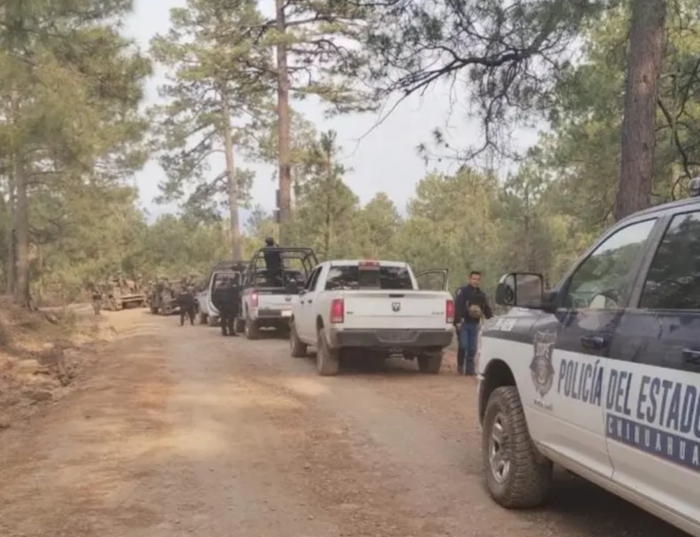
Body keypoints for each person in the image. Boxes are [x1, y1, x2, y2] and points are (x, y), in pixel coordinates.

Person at [454, 271, 493, 376]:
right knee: (463, 345)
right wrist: (457, 321)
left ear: (480, 281)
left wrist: (491, 320)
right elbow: (458, 306)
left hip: (474, 324)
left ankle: (470, 369)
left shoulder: (481, 295)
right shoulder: (462, 291)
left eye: (478, 279)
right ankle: (460, 365)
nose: (476, 281)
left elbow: (486, 308)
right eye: (474, 279)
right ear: (470, 279)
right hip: (463, 322)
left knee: (472, 347)